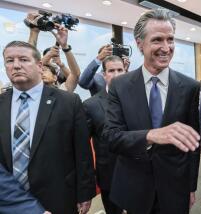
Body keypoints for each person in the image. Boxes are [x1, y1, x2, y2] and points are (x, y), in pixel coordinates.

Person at [103, 9, 200, 214]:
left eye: (170, 39)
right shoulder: (120, 85)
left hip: (175, 188)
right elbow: (111, 137)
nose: (166, 48)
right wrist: (150, 136)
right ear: (140, 44)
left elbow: (193, 145)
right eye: (157, 40)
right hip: (134, 187)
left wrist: (191, 187)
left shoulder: (190, 86)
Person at [0, 41, 96, 214]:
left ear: (39, 65)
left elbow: (82, 152)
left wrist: (84, 193)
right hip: (9, 202)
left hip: (58, 197)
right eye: (9, 60)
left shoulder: (69, 102)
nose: (15, 66)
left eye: (23, 59)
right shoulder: (1, 103)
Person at [83, 56, 126, 214]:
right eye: (111, 70)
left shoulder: (140, 99)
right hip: (109, 175)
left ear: (125, 71)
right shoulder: (91, 105)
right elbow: (83, 147)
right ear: (103, 74)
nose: (116, 75)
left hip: (139, 173)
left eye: (120, 70)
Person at [26, 12, 80, 92]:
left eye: (44, 70)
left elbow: (75, 74)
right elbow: (28, 64)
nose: (42, 73)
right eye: (40, 71)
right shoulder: (30, 90)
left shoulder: (61, 91)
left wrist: (65, 47)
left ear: (55, 77)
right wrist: (34, 32)